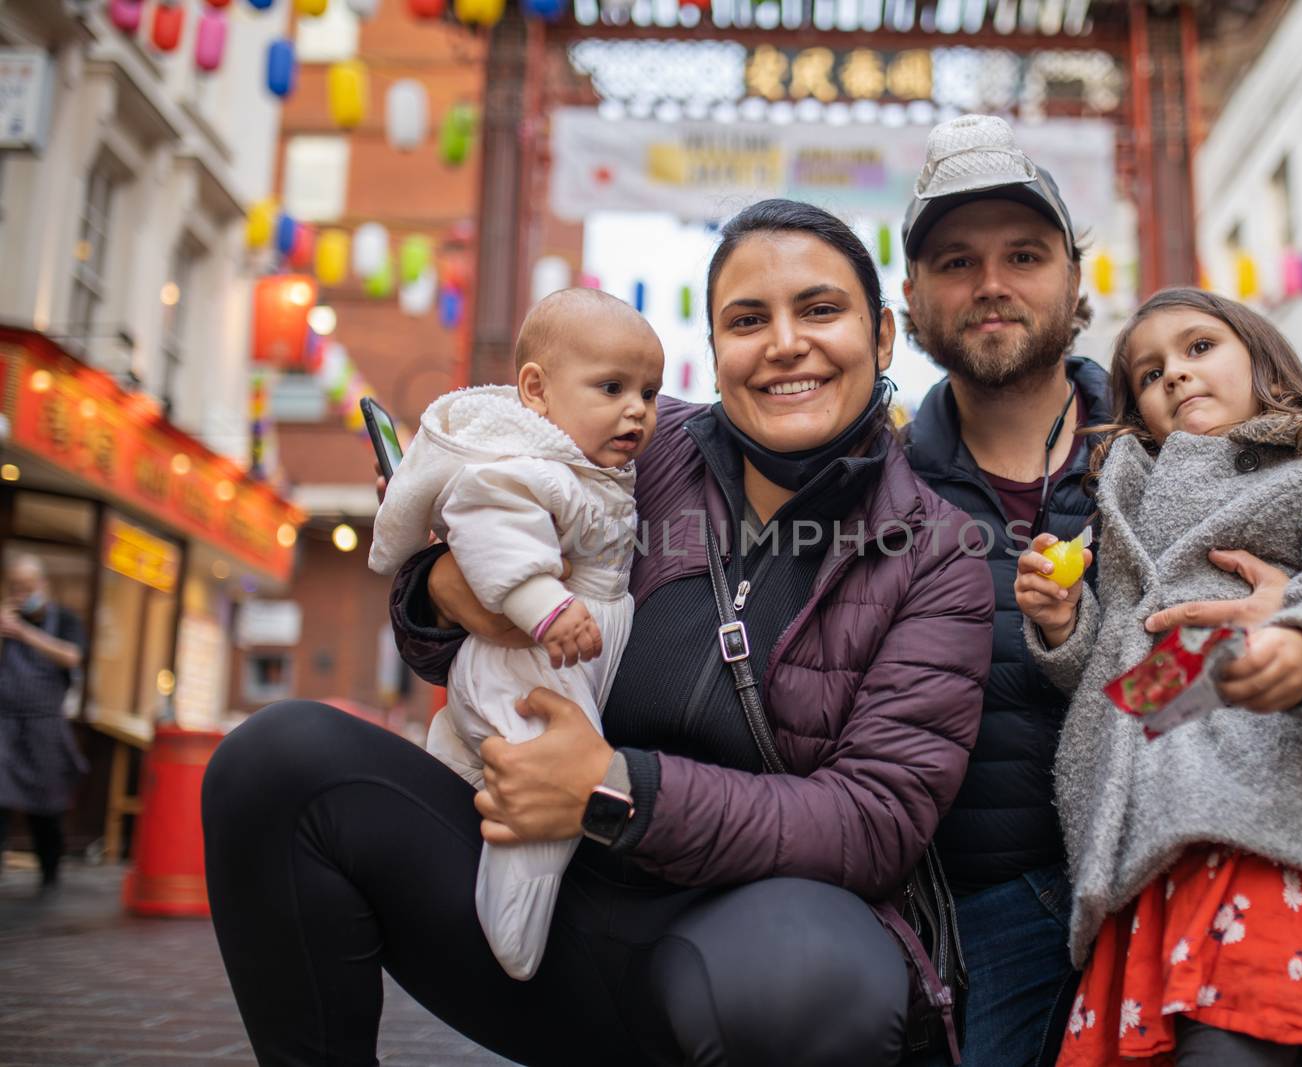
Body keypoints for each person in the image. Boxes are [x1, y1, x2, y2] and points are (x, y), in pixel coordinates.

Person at [202, 199, 994, 1066]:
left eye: (819, 309)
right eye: (746, 319)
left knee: (815, 981)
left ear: (881, 335)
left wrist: (615, 789)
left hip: (737, 937)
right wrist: (438, 585)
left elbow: (874, 820)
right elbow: (440, 627)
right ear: (715, 344)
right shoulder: (637, 446)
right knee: (274, 761)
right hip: (540, 889)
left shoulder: (936, 554)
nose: (784, 344)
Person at [898, 115, 1302, 1064]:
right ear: (911, 295)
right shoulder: (887, 483)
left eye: (1024, 254)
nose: (992, 283)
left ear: (1074, 278)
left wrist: (1296, 631)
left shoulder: (1183, 457)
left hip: (1216, 815)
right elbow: (1135, 665)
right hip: (1011, 880)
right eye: (956, 261)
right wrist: (1068, 628)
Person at [1020, 288, 1302, 1065]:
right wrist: (1066, 624)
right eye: (1148, 372)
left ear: (1260, 355)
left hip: (1265, 826)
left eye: (1199, 347)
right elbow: (1134, 678)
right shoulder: (1128, 505)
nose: (1173, 373)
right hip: (1145, 848)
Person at [368, 289, 664, 979]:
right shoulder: (534, 466)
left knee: (471, 768)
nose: (636, 410)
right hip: (531, 658)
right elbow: (488, 516)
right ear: (536, 390)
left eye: (649, 392)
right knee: (539, 802)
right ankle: (512, 932)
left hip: (555, 652)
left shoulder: (596, 463)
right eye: (612, 387)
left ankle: (432, 871)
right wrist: (543, 605)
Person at [0, 552, 87, 891]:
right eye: (15, 587)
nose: (22, 593)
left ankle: (50, 872)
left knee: (46, 807)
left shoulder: (64, 620)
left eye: (27, 586)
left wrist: (23, 633)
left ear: (43, 585)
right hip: (5, 723)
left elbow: (72, 656)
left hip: (45, 726)